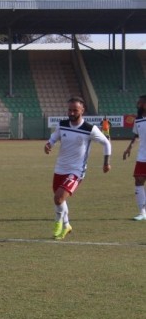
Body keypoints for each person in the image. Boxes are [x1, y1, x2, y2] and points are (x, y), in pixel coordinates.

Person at [44, 97, 111, 240]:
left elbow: (106, 143)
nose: (72, 112)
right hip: (60, 168)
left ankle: (58, 223)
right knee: (60, 200)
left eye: (75, 110)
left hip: (77, 170)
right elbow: (54, 137)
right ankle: (67, 225)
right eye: (70, 109)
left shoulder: (89, 129)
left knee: (58, 197)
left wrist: (106, 162)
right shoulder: (62, 124)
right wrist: (49, 144)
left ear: (82, 110)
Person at [122, 95, 146, 220]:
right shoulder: (138, 121)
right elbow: (136, 136)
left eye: (140, 103)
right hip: (142, 157)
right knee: (138, 181)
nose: (138, 105)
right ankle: (142, 212)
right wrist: (129, 148)